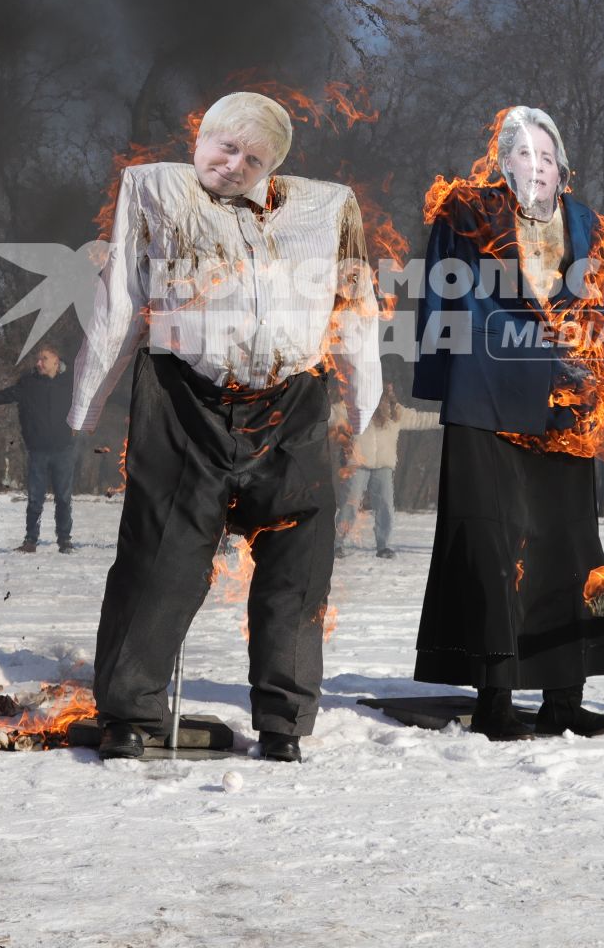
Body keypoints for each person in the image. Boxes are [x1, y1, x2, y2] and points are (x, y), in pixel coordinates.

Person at [70, 91, 380, 764]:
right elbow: (120, 295)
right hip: (185, 396)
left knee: (298, 564)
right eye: (225, 146)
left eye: (254, 157)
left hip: (293, 400)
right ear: (199, 135)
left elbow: (356, 306)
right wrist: (86, 401)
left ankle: (284, 721)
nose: (235, 164)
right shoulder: (154, 190)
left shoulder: (328, 206)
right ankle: (130, 713)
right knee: (162, 557)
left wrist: (364, 402)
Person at [411, 107, 604, 742]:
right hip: (484, 388)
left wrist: (599, 376)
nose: (538, 166)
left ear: (563, 166)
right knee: (491, 546)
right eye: (524, 154)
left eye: (548, 155)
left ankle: (566, 696)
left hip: (565, 398)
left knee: (570, 544)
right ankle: (494, 700)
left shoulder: (584, 220)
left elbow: (599, 304)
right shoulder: (466, 209)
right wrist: (436, 379)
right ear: (503, 163)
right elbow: (437, 294)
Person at [0, 342, 77, 553]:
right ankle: (31, 540)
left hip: (63, 449)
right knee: (35, 499)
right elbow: (4, 395)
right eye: (37, 359)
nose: (38, 363)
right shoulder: (28, 383)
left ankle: (65, 540)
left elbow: (90, 401)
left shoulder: (71, 383)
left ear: (56, 362)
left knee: (64, 498)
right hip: (37, 450)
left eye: (44, 359)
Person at [332, 380, 440, 559]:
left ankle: (384, 546)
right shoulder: (353, 408)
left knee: (386, 507)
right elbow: (331, 414)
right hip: (358, 464)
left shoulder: (395, 413)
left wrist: (448, 417)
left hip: (384, 467)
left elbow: (421, 418)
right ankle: (336, 543)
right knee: (349, 505)